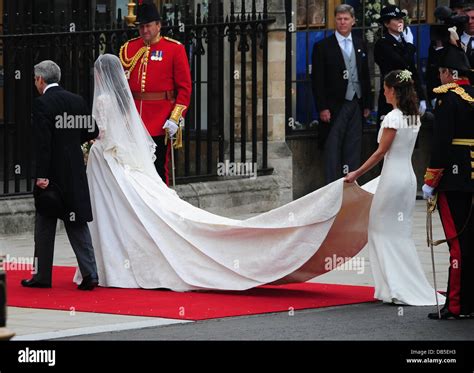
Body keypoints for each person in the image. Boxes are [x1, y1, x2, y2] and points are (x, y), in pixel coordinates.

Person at [75, 53, 377, 291]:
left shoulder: (103, 100)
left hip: (108, 159)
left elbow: (103, 133)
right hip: (120, 161)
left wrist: (89, 146)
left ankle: (108, 261)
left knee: (113, 213)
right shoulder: (125, 101)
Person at [345, 70, 445, 306]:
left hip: (392, 179)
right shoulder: (414, 116)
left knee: (380, 229)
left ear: (394, 91)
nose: (384, 92)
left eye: (386, 89)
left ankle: (396, 287)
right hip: (407, 178)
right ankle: (395, 286)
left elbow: (381, 152)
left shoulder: (393, 117)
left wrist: (356, 173)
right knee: (399, 232)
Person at [22, 60, 99, 290]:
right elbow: (91, 131)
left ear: (40, 80)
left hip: (52, 175)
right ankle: (90, 274)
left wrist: (42, 175)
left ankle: (42, 276)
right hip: (74, 171)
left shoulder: (42, 103)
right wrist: (71, 145)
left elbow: (43, 143)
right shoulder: (77, 101)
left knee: (44, 225)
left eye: (35, 79)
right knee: (77, 223)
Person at [422, 45, 474, 319]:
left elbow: (441, 144)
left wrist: (431, 179)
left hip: (454, 179)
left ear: (449, 74)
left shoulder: (447, 99)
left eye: (442, 72)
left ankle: (456, 305)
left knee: (457, 243)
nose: (440, 78)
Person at [119, 0, 191, 185]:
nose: (144, 31)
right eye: (141, 27)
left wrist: (175, 117)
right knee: (134, 169)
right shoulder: (129, 48)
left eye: (148, 26)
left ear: (158, 25)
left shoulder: (174, 49)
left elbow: (184, 88)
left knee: (158, 169)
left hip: (160, 119)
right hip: (133, 118)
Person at [311, 4, 371, 184]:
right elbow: (317, 81)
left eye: (346, 19)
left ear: (353, 21)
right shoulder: (322, 47)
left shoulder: (360, 43)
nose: (342, 22)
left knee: (353, 146)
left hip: (356, 102)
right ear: (335, 21)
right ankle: (332, 187)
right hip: (334, 105)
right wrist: (322, 107)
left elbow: (365, 75)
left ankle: (350, 186)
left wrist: (367, 103)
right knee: (332, 147)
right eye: (339, 19)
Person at [375, 5, 427, 125]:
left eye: (401, 19)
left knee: (410, 136)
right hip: (393, 98)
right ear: (387, 24)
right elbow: (400, 63)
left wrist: (422, 97)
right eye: (396, 19)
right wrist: (409, 45)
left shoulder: (404, 42)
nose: (400, 22)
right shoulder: (383, 43)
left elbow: (412, 71)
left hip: (408, 98)